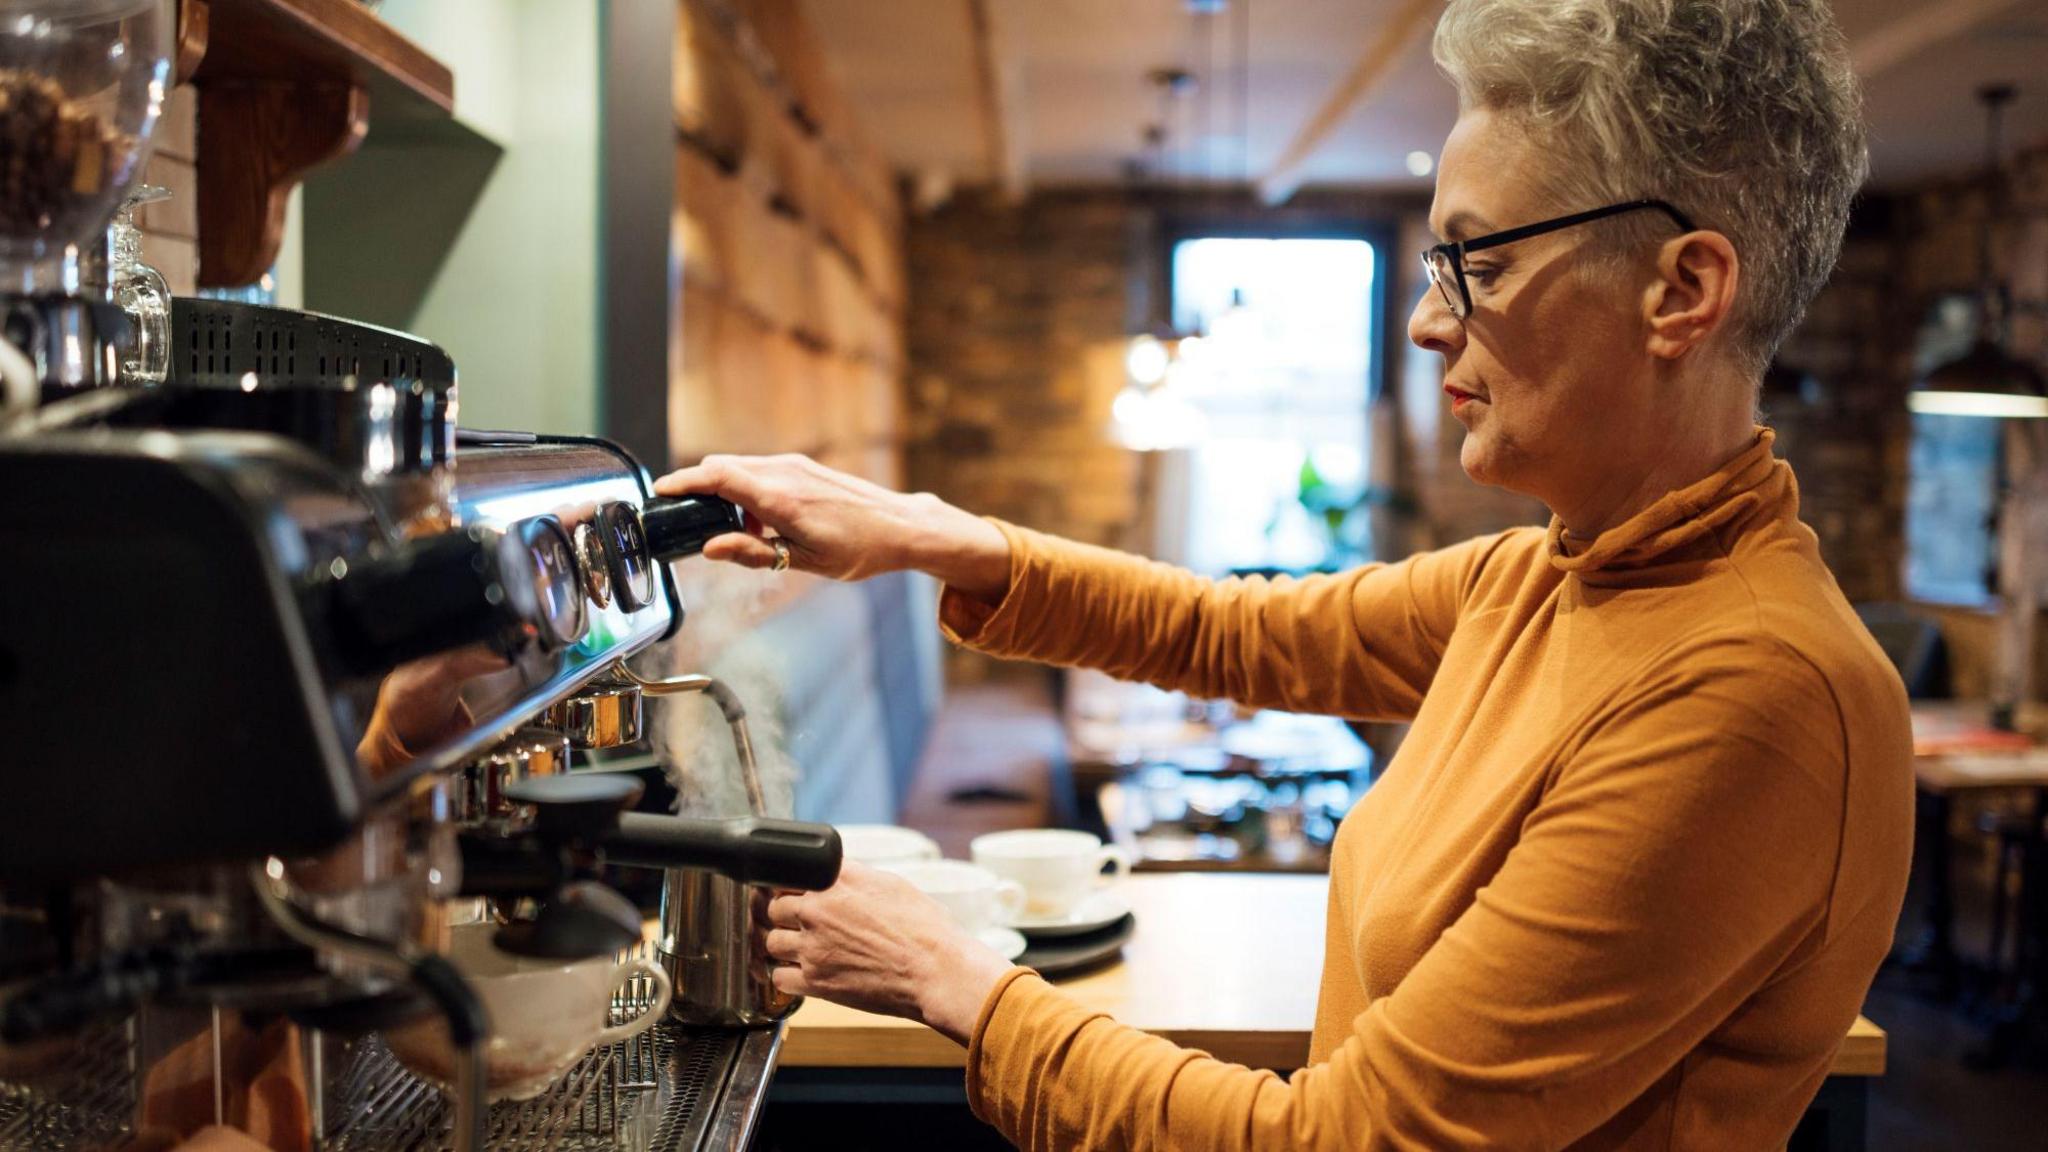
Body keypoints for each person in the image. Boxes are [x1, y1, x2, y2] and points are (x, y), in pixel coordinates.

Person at [653, 0, 1913, 1147]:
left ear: (1678, 291)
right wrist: (925, 529)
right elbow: (1229, 631)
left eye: (1477, 260)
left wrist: (959, 982)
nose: (1428, 321)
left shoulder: (1749, 690)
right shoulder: (1544, 580)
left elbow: (1353, 1143)